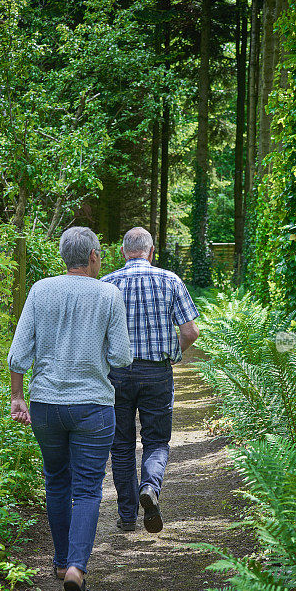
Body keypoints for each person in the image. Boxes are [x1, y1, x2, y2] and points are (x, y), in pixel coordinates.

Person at [7, 227, 132, 591]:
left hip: (45, 405)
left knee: (56, 479)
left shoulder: (40, 290)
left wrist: (17, 397)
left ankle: (61, 563)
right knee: (88, 488)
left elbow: (18, 353)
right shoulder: (109, 294)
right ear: (93, 255)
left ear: (65, 256)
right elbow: (122, 358)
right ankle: (77, 567)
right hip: (93, 406)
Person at [101, 227, 199, 533]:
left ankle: (127, 516)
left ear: (122, 252)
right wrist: (172, 355)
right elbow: (190, 332)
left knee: (121, 446)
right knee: (156, 441)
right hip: (156, 372)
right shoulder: (170, 280)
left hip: (117, 375)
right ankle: (150, 488)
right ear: (151, 251)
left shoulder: (106, 284)